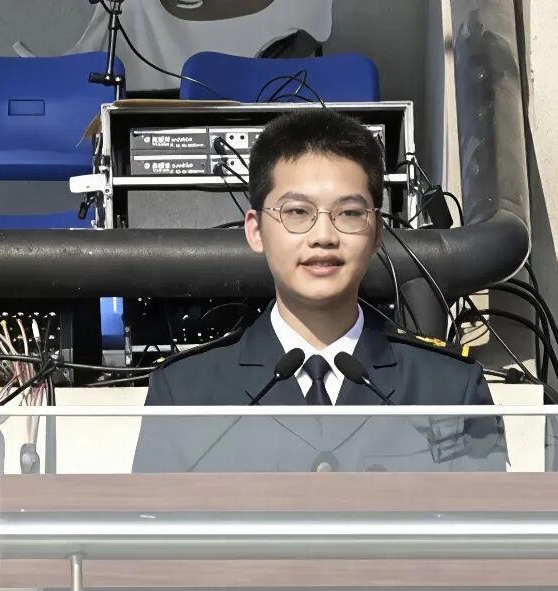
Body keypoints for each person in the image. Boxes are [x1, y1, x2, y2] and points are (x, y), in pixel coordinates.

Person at [132, 109, 506, 472]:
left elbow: (489, 516)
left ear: (377, 232)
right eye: (297, 212)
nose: (323, 236)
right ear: (256, 231)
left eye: (349, 213)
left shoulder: (448, 388)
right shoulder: (186, 392)